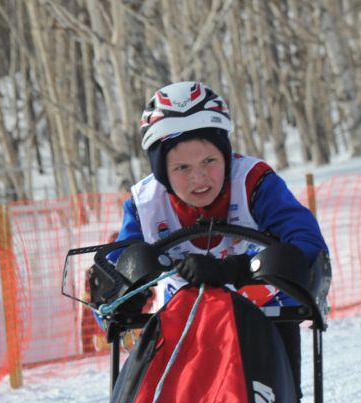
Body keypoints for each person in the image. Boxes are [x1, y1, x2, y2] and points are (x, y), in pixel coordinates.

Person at [96, 81, 330, 326]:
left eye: (209, 161)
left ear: (226, 156)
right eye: (182, 168)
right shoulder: (144, 204)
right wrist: (124, 295)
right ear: (162, 172)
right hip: (185, 317)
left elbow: (310, 248)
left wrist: (234, 269)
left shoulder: (254, 183)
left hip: (265, 313)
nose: (199, 178)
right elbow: (107, 287)